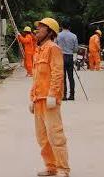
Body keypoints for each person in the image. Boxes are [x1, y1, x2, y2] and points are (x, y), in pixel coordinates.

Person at [30, 17, 70, 177]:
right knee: (42, 138)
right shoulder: (38, 50)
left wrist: (53, 95)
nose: (37, 30)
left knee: (55, 135)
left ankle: (63, 169)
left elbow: (57, 73)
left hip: (49, 101)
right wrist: (32, 97)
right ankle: (51, 166)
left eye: (40, 28)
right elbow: (36, 77)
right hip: (39, 99)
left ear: (49, 31)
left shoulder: (54, 48)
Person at [56, 25, 79, 100]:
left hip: (61, 57)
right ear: (69, 27)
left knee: (62, 77)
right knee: (71, 77)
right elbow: (76, 49)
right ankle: (72, 95)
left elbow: (55, 46)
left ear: (62, 27)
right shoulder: (74, 36)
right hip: (69, 57)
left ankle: (64, 95)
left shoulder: (58, 35)